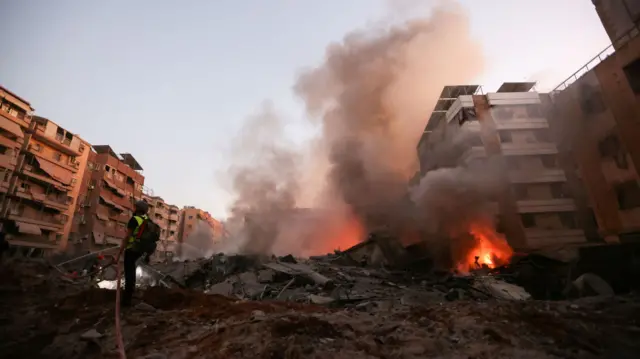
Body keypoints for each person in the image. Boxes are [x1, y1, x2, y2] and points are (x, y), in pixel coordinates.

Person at [116, 200, 150, 307]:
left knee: (129, 274)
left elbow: (127, 237)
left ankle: (127, 300)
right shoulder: (147, 220)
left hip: (132, 249)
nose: (133, 209)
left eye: (134, 207)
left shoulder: (134, 219)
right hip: (141, 250)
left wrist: (119, 252)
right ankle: (130, 295)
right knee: (132, 272)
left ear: (137, 209)